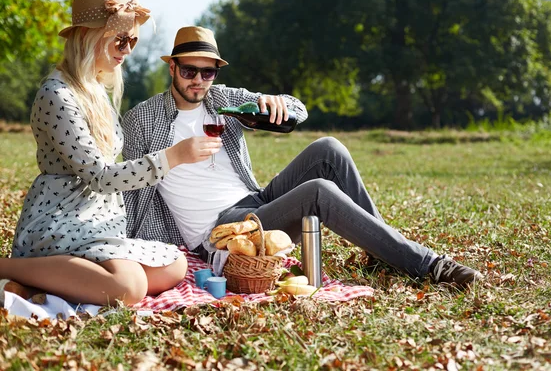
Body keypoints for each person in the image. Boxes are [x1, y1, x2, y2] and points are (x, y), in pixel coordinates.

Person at [122, 26, 483, 289]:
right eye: (189, 71)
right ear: (172, 68)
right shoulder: (143, 118)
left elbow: (298, 108)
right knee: (317, 192)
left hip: (256, 202)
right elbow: (127, 181)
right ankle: (430, 265)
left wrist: (277, 105)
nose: (199, 81)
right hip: (221, 231)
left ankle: (385, 253)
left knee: (329, 149)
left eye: (208, 72)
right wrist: (173, 156)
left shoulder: (222, 99)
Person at [0, 0, 213, 307]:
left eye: (133, 41)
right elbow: (100, 176)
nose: (127, 50)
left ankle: (52, 281)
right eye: (121, 39)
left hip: (99, 223)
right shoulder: (57, 94)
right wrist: (172, 157)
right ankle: (9, 268)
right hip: (62, 219)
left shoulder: (95, 88)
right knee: (128, 288)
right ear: (88, 36)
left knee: (175, 265)